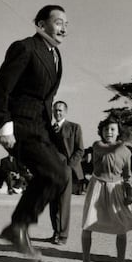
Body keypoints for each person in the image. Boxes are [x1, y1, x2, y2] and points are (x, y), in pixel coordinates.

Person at [0, 4, 69, 257]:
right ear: (41, 24)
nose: (64, 28)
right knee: (55, 173)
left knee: (60, 175)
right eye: (58, 22)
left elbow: (46, 98)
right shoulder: (24, 47)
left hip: (42, 129)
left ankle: (18, 226)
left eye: (66, 24)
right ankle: (18, 226)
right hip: (22, 126)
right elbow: (0, 89)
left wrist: (53, 126)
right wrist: (4, 126)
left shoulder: (56, 56)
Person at [76, 117, 132, 262]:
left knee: (122, 227)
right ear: (101, 132)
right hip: (97, 186)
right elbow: (107, 151)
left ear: (118, 132)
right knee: (88, 224)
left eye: (112, 129)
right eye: (106, 129)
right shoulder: (98, 146)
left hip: (116, 189)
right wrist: (123, 144)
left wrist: (129, 193)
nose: (108, 132)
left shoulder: (126, 152)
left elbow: (127, 175)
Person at [49, 100, 84, 245]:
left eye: (60, 110)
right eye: (55, 110)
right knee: (53, 203)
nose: (57, 113)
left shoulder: (74, 127)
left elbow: (80, 150)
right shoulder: (49, 129)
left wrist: (69, 166)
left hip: (66, 169)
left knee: (64, 203)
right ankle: (55, 232)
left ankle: (63, 236)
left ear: (65, 112)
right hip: (51, 170)